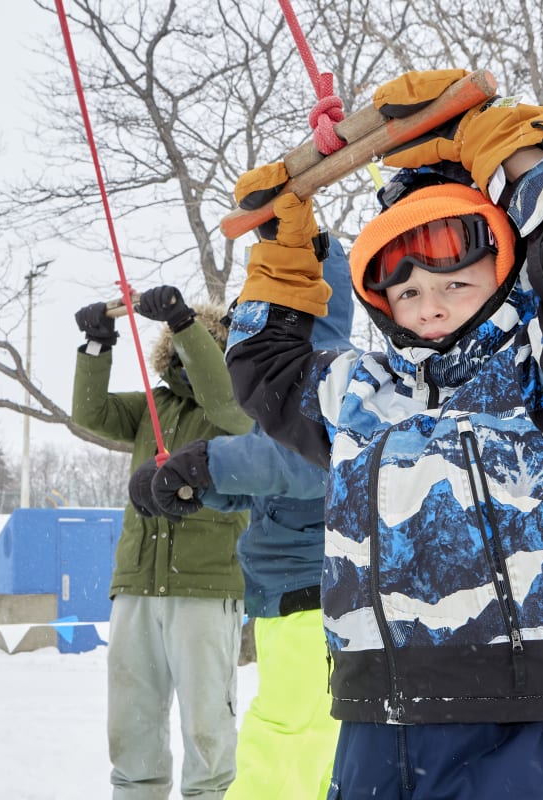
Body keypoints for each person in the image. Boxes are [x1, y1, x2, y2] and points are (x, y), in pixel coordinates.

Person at [224, 68, 543, 799]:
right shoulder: (361, 395)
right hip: (373, 702)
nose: (432, 305)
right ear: (381, 297)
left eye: (458, 283)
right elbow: (265, 368)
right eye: (410, 289)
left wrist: (509, 150)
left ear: (502, 273)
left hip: (514, 699)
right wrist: (283, 251)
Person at [133, 239, 355, 800]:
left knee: (287, 734)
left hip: (318, 589)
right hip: (288, 589)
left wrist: (208, 464)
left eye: (264, 302)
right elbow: (273, 487)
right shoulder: (284, 382)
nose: (246, 324)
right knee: (303, 736)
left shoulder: (330, 373)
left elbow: (309, 465)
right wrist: (192, 486)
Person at [71, 286, 254, 800]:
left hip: (207, 586)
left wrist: (184, 322)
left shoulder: (237, 410)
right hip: (135, 586)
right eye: (176, 350)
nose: (185, 361)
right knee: (130, 724)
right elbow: (90, 413)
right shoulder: (154, 407)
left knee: (206, 726)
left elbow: (227, 401)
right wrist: (97, 346)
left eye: (194, 348)